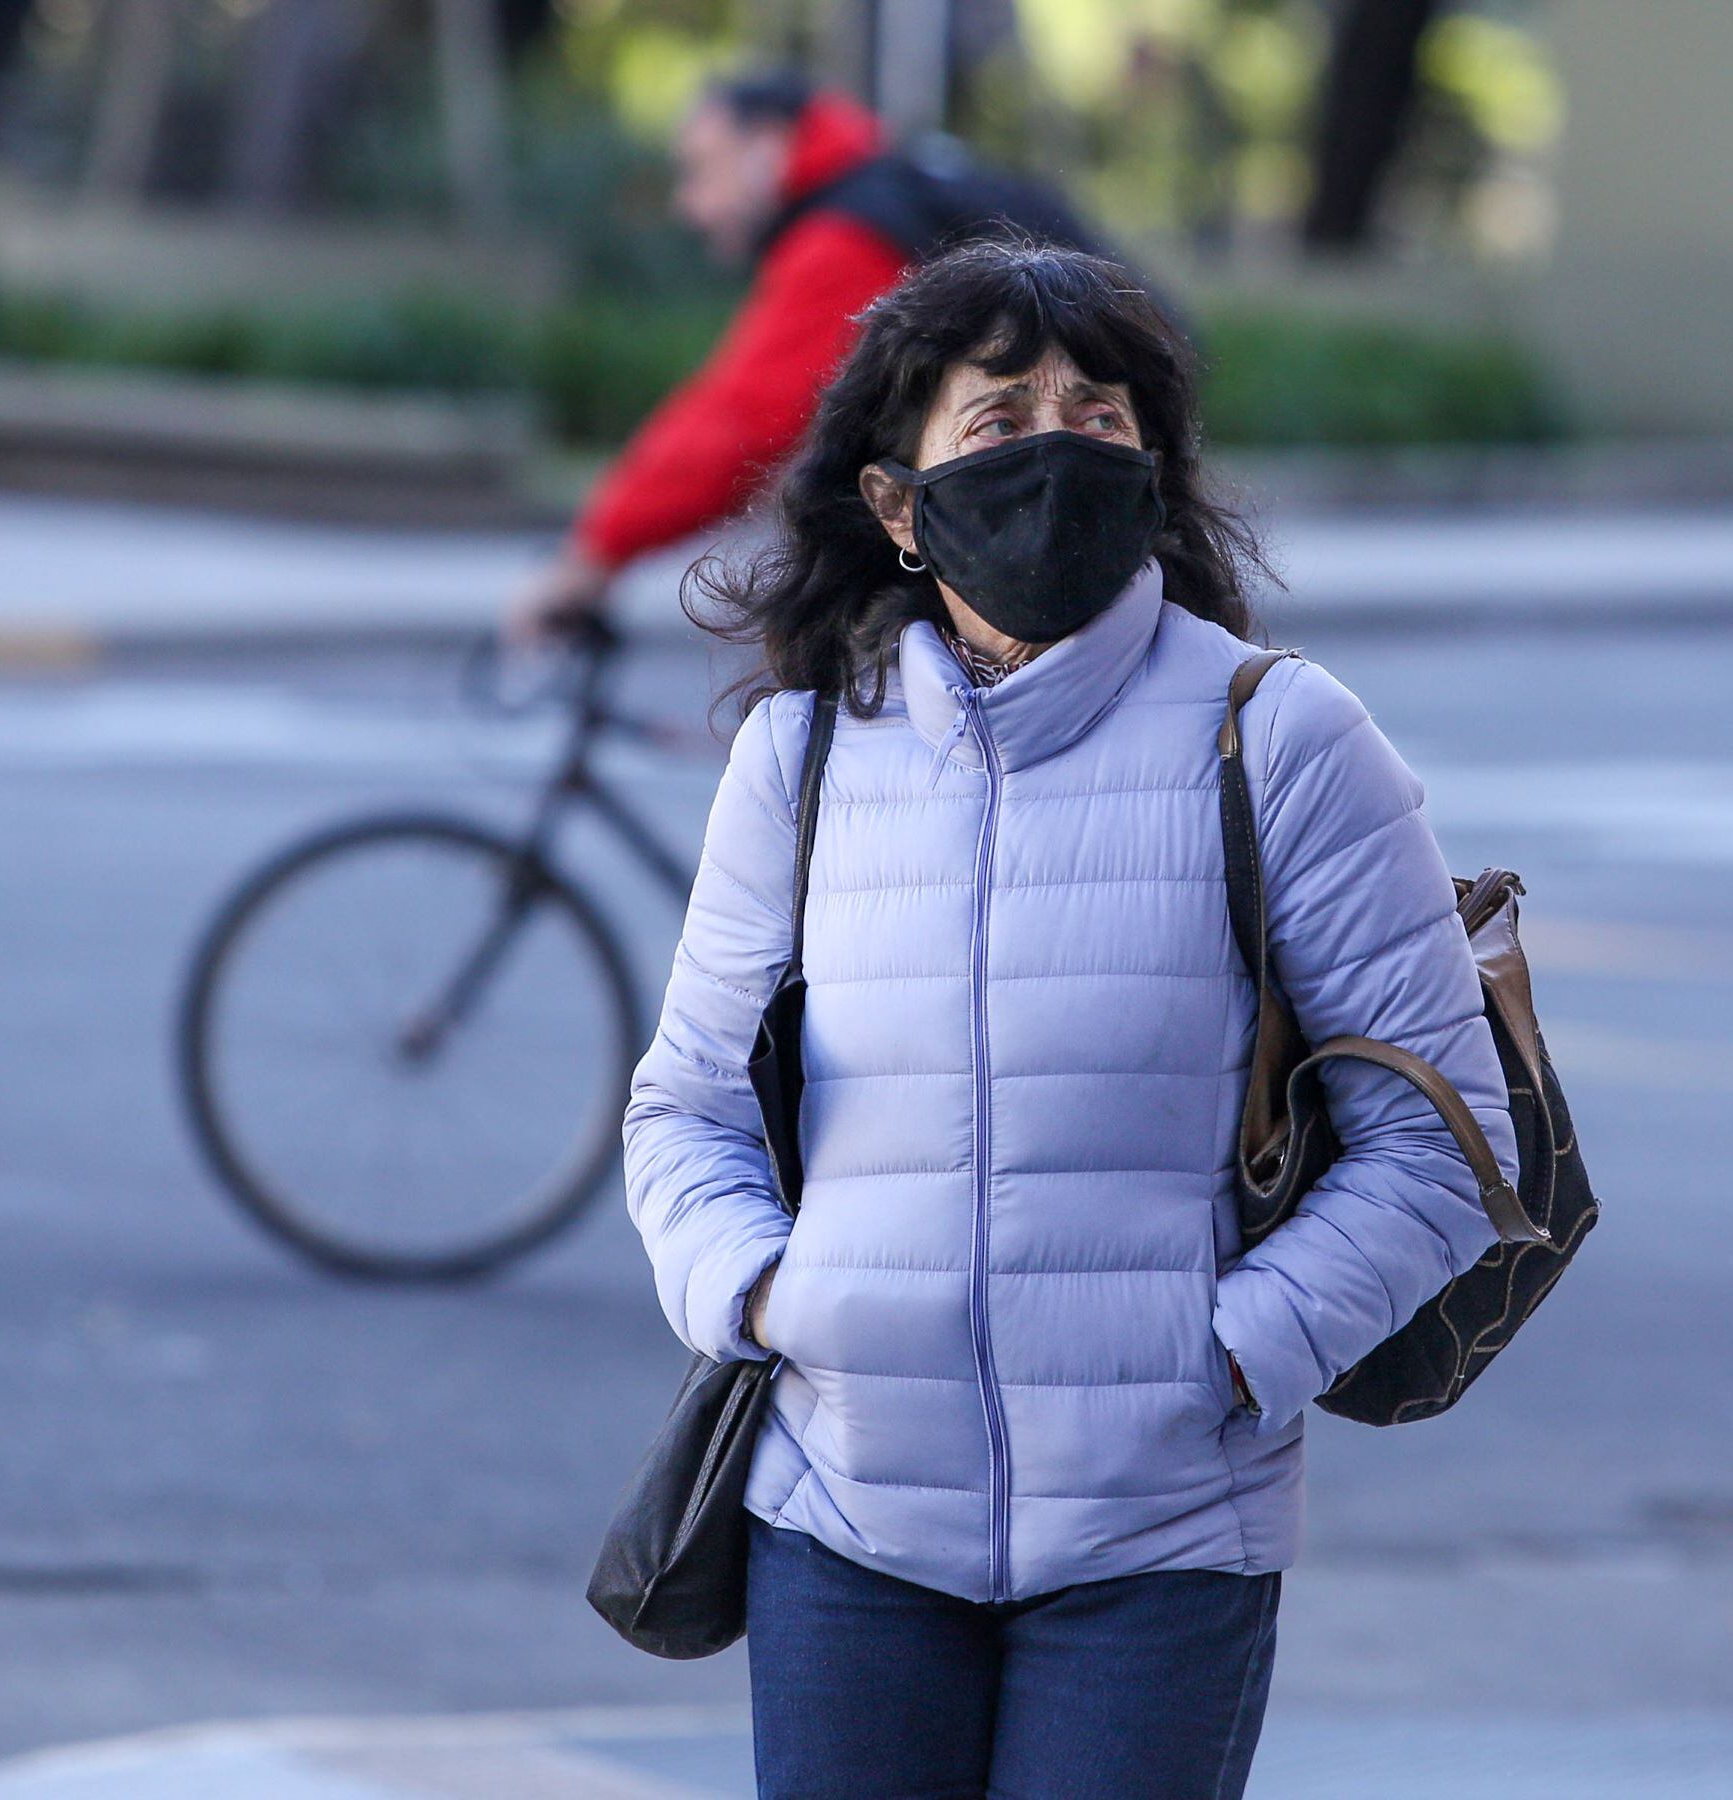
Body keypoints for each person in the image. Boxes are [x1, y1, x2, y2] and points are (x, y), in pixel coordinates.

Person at [620, 240, 1516, 1798]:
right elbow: (684, 1109)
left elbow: (1443, 1147)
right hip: (845, 1520)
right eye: (1002, 418)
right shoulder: (804, 761)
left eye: (1099, 417)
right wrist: (768, 1298)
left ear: (1155, 473)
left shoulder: (1284, 739)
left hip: (1160, 1541)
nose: (1058, 446)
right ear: (900, 507)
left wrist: (1226, 1357)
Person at [503, 70, 1108, 642]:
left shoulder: (848, 237)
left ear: (767, 147)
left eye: (701, 171)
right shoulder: (887, 192)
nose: (692, 206)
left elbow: (742, 418)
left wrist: (592, 556)